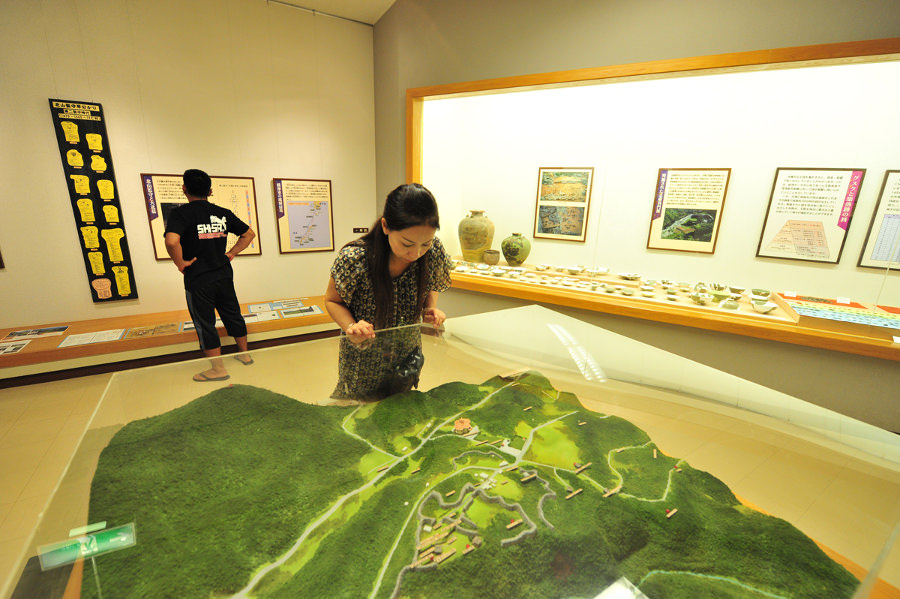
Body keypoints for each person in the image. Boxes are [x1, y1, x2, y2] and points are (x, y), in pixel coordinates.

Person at [325, 183, 452, 400]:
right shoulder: (356, 258)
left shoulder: (434, 251)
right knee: (361, 414)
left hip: (407, 353)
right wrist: (351, 327)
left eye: (425, 244)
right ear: (385, 226)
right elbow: (332, 301)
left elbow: (430, 282)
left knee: (398, 411)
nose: (416, 253)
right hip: (364, 355)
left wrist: (430, 308)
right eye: (407, 243)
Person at [164, 169, 256, 382]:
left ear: (184, 189)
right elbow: (248, 234)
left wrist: (181, 264)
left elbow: (171, 241)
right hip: (223, 274)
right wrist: (231, 253)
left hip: (197, 278)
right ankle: (244, 355)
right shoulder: (222, 212)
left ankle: (218, 370)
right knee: (232, 313)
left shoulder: (180, 214)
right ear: (210, 190)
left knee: (205, 322)